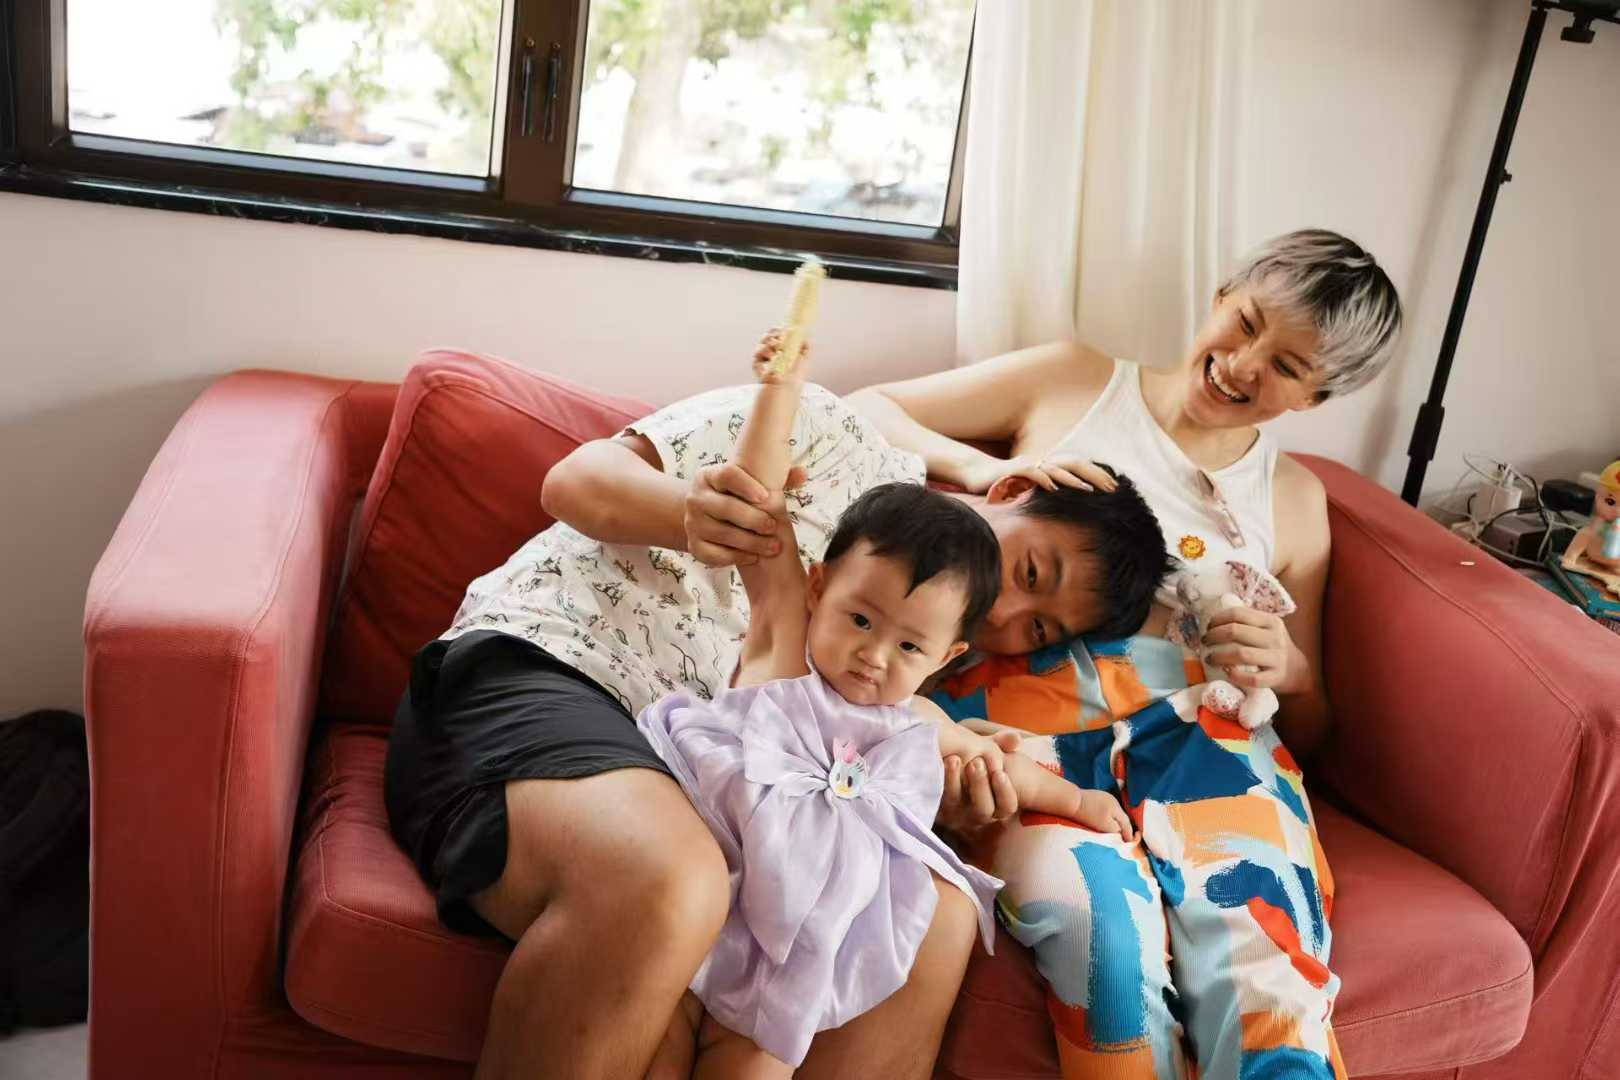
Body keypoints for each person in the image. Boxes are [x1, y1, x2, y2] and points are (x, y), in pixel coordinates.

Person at [383, 330, 1172, 1080]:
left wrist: (964, 799)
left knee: (937, 915)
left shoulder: (916, 659)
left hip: (698, 795)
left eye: (1037, 630)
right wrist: (688, 513)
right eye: (1031, 573)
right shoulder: (829, 434)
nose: (1005, 613)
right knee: (673, 878)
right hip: (553, 675)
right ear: (1013, 489)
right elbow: (575, 481)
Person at [847, 228, 1403, 1079]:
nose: (1243, 365)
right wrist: (985, 468)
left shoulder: (1294, 500)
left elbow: (1315, 724)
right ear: (1221, 296)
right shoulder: (1075, 379)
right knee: (1099, 937)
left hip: (1206, 739)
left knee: (1261, 958)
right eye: (1246, 323)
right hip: (1022, 725)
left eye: (1287, 367)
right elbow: (868, 407)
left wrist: (1287, 670)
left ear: (1315, 397)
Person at [637, 331, 1136, 1076]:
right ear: (818, 589)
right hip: (708, 906)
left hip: (790, 964)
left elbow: (1005, 767)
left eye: (908, 646)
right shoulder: (783, 654)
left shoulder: (913, 724)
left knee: (755, 1066)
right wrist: (781, 390)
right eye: (861, 621)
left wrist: (1084, 802)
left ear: (947, 656)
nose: (873, 656)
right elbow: (760, 506)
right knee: (652, 1039)